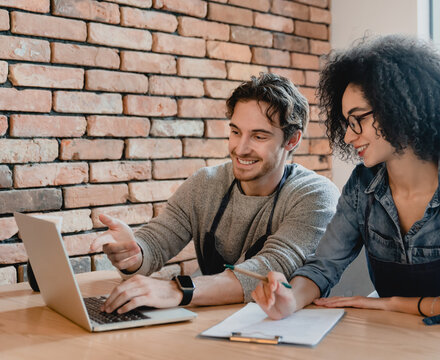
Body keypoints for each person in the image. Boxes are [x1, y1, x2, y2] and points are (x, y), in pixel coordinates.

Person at [252, 35, 440, 331]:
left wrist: (397, 304)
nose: (347, 136)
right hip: (394, 341)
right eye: (346, 122)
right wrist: (289, 299)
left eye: (358, 119)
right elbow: (323, 267)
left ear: (402, 111)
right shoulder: (361, 187)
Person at [90, 73, 340, 314]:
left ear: (292, 140)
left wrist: (177, 290)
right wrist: (134, 252)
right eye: (235, 132)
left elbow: (273, 266)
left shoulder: (315, 195)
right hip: (214, 323)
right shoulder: (205, 184)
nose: (241, 148)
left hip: (284, 330)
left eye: (259, 136)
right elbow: (156, 241)